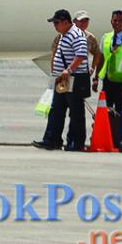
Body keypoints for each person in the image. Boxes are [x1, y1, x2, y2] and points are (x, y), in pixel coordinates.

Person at [33, 9, 90, 151]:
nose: (55, 26)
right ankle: (51, 140)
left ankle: (75, 142)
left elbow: (81, 55)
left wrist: (68, 70)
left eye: (56, 23)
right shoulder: (64, 34)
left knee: (75, 112)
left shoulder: (76, 34)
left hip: (74, 78)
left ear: (66, 22)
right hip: (63, 79)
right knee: (56, 110)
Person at [92, 10, 122, 114]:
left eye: (120, 21)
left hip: (121, 83)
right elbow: (101, 59)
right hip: (107, 81)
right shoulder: (106, 37)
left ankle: (118, 131)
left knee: (120, 113)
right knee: (105, 112)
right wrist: (96, 78)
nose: (117, 23)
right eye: (115, 20)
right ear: (111, 21)